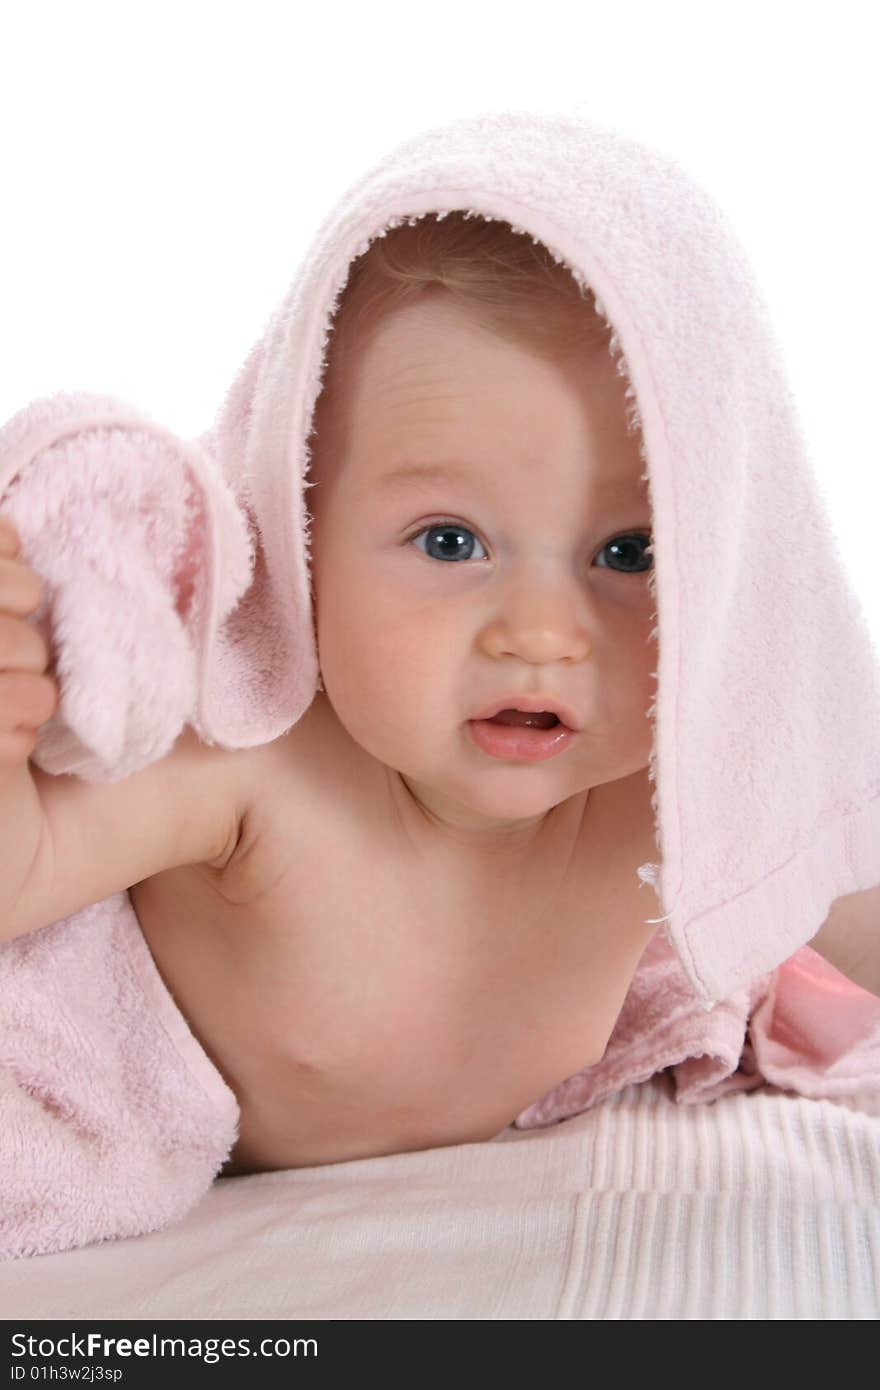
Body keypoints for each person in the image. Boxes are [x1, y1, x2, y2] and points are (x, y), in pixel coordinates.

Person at [1, 116, 878, 1218]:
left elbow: (850, 878)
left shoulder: (671, 791)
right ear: (303, 522)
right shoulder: (252, 761)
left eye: (629, 553)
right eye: (450, 542)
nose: (540, 632)